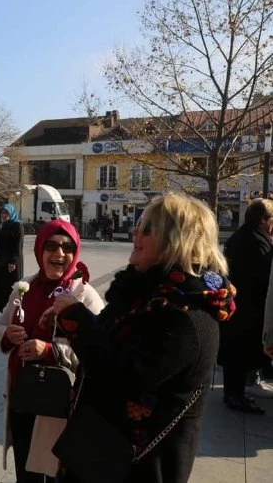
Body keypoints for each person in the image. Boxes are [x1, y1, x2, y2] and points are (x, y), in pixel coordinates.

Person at [50, 192, 236, 483]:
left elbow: (122, 375)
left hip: (138, 468)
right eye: (139, 224)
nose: (135, 231)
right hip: (96, 451)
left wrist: (76, 318)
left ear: (176, 241)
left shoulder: (185, 315)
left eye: (147, 228)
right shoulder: (144, 293)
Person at [0, 219, 104, 482]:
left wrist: (50, 350)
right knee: (26, 473)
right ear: (39, 249)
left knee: (52, 472)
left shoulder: (83, 295)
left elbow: (100, 350)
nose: (59, 254)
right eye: (51, 246)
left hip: (58, 408)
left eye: (67, 247)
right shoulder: (25, 287)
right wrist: (7, 335)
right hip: (23, 399)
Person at [220, 198, 273, 412]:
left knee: (235, 355)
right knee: (240, 356)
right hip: (248, 310)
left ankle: (233, 394)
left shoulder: (239, 236)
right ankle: (236, 396)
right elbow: (265, 278)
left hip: (236, 307)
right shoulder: (257, 241)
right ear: (263, 220)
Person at [0, 203, 24, 313]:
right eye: (3, 213)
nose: (4, 215)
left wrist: (12, 261)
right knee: (1, 287)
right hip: (1, 261)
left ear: (11, 213)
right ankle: (2, 310)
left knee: (9, 287)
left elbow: (18, 245)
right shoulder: (3, 225)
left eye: (6, 213)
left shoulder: (17, 226)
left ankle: (11, 311)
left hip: (11, 261)